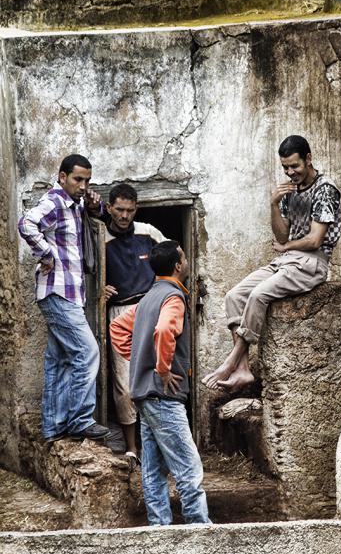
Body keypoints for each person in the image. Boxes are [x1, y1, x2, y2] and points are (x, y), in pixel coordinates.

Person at [203, 135, 341, 393]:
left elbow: (314, 240)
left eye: (295, 166)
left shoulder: (326, 189)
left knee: (258, 295)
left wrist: (287, 247)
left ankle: (232, 360)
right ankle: (243, 369)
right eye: (286, 168)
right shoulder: (290, 191)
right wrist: (274, 204)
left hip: (313, 263)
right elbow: (281, 236)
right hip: (287, 260)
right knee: (234, 296)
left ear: (308, 159)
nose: (291, 172)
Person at [109, 240, 211, 526]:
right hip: (164, 395)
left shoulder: (148, 297)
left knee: (153, 470)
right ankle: (200, 529)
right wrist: (162, 368)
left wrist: (142, 358)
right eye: (184, 257)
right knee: (188, 467)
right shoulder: (173, 297)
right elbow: (165, 329)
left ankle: (159, 528)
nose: (187, 261)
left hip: (145, 395)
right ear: (178, 265)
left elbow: (117, 327)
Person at [18, 154, 110, 443]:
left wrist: (96, 205)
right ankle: (80, 420)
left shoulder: (75, 205)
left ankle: (52, 427)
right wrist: (46, 254)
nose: (83, 185)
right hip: (58, 291)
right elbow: (26, 224)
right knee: (87, 352)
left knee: (58, 360)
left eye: (87, 180)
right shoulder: (55, 202)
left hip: (69, 293)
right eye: (77, 179)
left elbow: (102, 213)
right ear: (62, 177)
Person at [104, 183, 165, 459]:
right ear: (109, 208)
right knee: (124, 383)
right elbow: (86, 275)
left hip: (150, 307)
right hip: (119, 312)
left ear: (136, 209)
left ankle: (161, 446)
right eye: (119, 210)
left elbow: (176, 259)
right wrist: (99, 288)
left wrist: (167, 291)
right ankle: (132, 448)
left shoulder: (149, 232)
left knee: (158, 376)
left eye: (129, 210)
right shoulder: (100, 238)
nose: (124, 215)